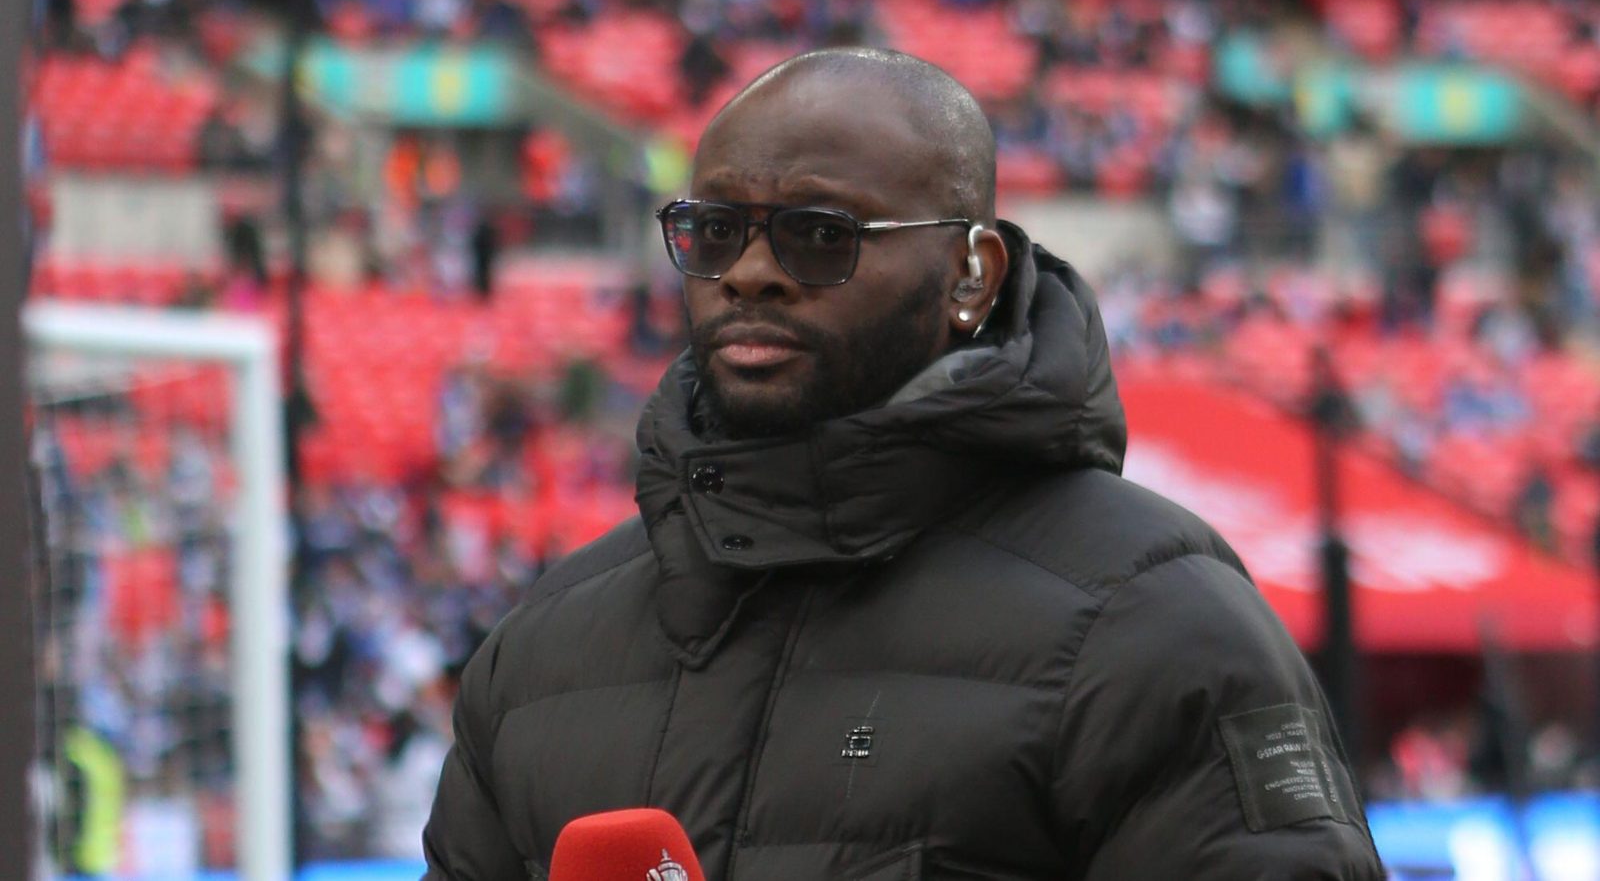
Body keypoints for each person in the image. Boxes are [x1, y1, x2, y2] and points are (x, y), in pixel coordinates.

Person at [423, 48, 1384, 879]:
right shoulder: (541, 652)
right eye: (715, 231)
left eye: (820, 235)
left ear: (973, 273)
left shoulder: (1158, 623)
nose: (748, 272)